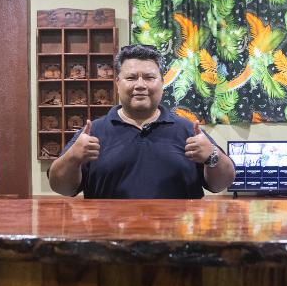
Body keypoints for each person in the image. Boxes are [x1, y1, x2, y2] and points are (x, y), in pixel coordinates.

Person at [48, 44, 235, 198]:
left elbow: (221, 183)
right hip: (108, 232)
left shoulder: (188, 130)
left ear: (162, 83)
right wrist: (73, 158)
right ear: (117, 83)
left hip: (177, 232)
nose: (140, 85)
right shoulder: (93, 132)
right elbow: (62, 188)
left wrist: (212, 155)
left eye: (149, 77)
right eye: (131, 78)